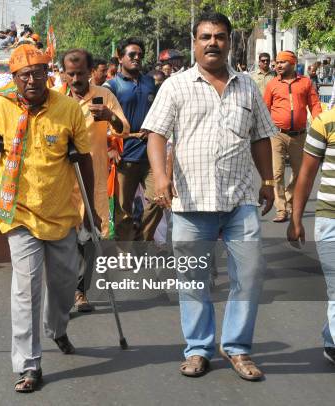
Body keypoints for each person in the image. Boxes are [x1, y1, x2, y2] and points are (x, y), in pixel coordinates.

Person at [143, 12, 277, 381]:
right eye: (205, 37)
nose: (212, 42)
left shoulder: (247, 86)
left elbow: (261, 136)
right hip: (190, 202)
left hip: (241, 200)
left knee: (249, 275)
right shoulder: (176, 86)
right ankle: (198, 348)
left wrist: (268, 181)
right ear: (194, 42)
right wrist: (161, 176)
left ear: (230, 42)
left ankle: (237, 348)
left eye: (219, 36)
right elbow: (155, 133)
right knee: (193, 281)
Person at [0, 44, 98, 393]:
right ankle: (28, 365)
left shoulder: (68, 108)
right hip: (17, 210)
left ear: (48, 74)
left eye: (38, 73)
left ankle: (57, 329)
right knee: (26, 289)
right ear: (13, 78)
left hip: (59, 211)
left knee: (61, 288)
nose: (32, 80)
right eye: (24, 75)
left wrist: (89, 211)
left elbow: (84, 160)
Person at [56, 48, 129, 312]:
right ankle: (64, 290)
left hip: (92, 180)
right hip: (61, 183)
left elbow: (124, 128)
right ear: (63, 73)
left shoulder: (104, 96)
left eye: (81, 73)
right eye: (71, 74)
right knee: (63, 240)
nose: (76, 79)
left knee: (88, 239)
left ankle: (79, 292)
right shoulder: (55, 99)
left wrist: (109, 117)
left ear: (90, 72)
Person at [287, 108, 335, 366]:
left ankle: (331, 339)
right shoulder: (325, 121)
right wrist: (296, 219)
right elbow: (306, 173)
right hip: (331, 218)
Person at [103, 37, 162, 241]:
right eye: (131, 55)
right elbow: (101, 122)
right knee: (123, 208)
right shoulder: (111, 86)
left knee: (159, 199)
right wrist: (110, 147)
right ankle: (125, 249)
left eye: (139, 55)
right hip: (124, 154)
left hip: (151, 153)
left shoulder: (150, 82)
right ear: (120, 57)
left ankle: (142, 239)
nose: (137, 58)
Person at [263, 50, 322, 223]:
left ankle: (289, 200)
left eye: (282, 62)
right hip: (276, 134)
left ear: (293, 63)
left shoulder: (305, 83)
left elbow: (315, 105)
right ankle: (281, 209)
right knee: (277, 173)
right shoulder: (272, 84)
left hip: (299, 136)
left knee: (299, 172)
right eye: (277, 62)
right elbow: (265, 108)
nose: (278, 65)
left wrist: (320, 126)